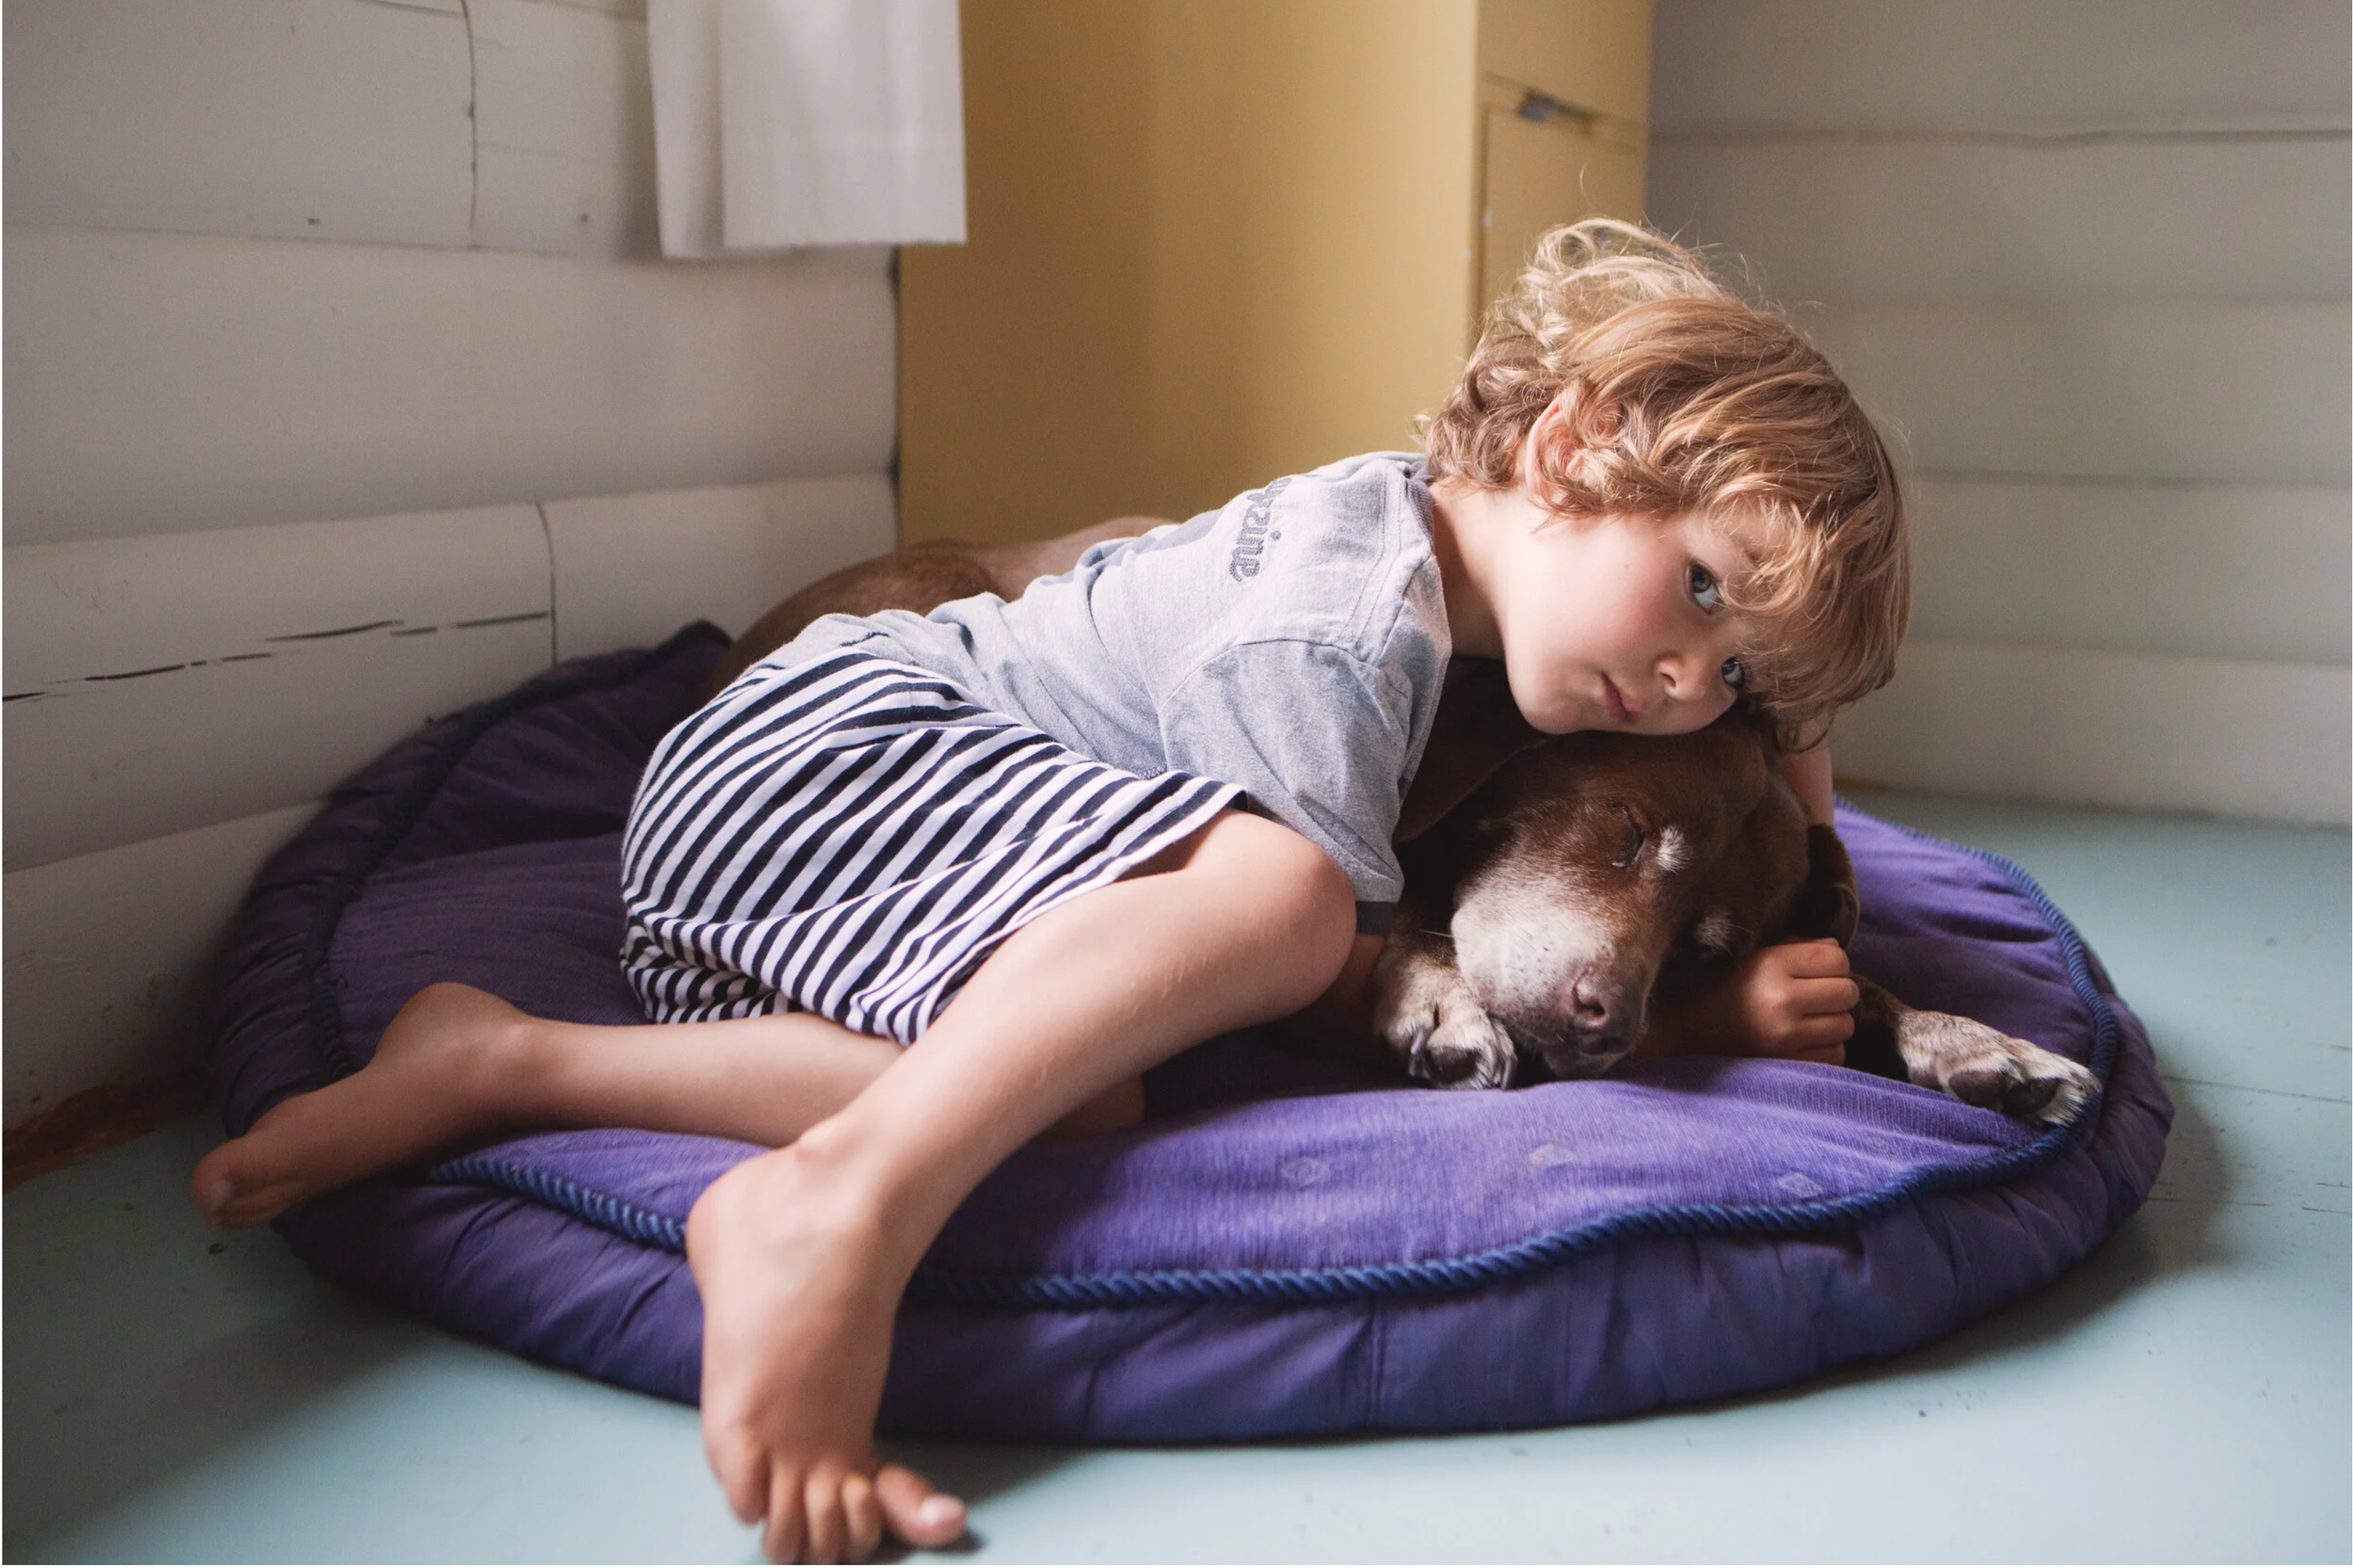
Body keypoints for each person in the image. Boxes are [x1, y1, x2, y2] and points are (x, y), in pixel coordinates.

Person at [192, 220, 1908, 1563]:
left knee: (1081, 1084)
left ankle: (503, 1060)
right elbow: (1323, 965)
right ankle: (842, 1202)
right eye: (1693, 588)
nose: (1686, 679)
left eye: (1730, 671)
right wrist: (1694, 1015)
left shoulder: (1451, 591)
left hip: (786, 902)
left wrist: (1788, 699)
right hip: (826, 752)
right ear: (1577, 439)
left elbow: (1759, 733)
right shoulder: (1342, 615)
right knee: (1294, 903)